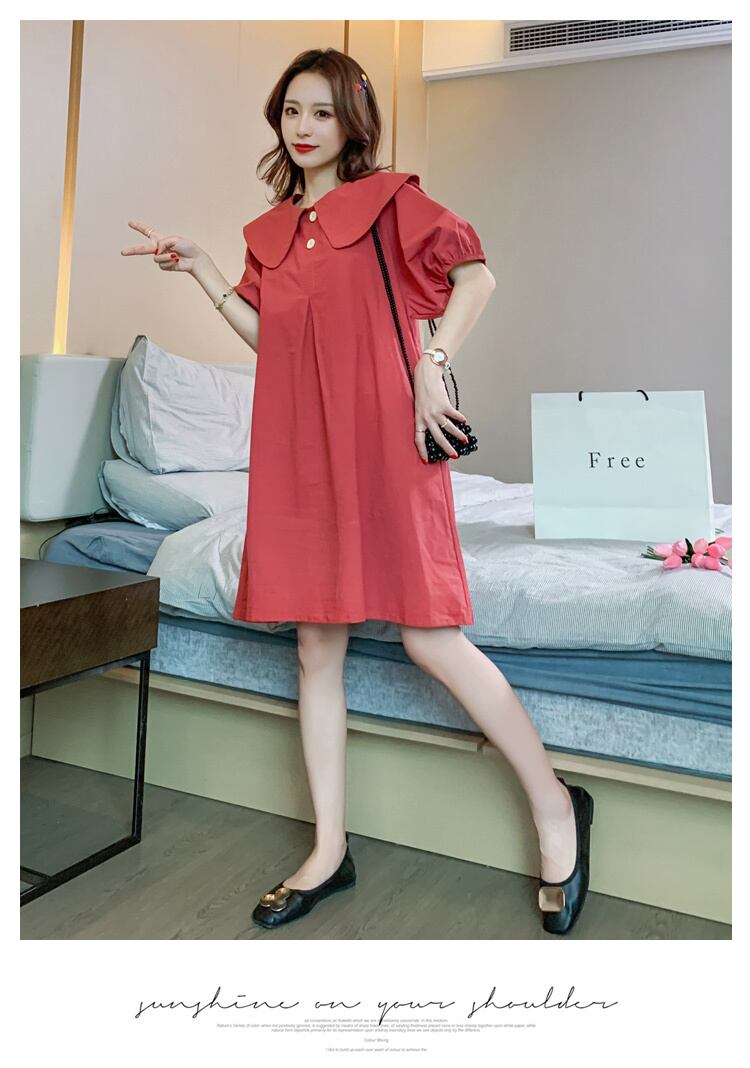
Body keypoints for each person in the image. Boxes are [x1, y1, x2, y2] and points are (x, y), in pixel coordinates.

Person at [121, 47, 594, 936]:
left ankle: (556, 807)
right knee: (316, 648)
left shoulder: (391, 201)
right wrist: (204, 268)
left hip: (387, 440)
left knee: (431, 638)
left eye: (322, 112)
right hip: (303, 451)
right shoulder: (272, 232)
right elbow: (272, 337)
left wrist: (432, 362)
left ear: (353, 123)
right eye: (291, 111)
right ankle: (328, 850)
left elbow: (476, 277)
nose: (303, 128)